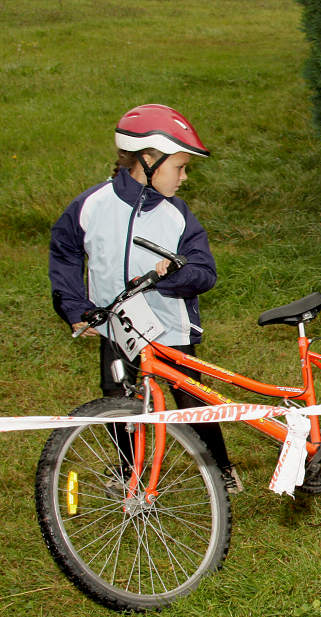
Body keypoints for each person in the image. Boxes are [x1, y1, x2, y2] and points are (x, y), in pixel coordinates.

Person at [48, 104, 242, 493]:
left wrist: (174, 276)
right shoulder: (92, 205)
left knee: (191, 398)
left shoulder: (178, 215)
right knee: (117, 399)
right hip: (116, 328)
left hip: (169, 328)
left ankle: (220, 468)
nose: (184, 177)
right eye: (179, 167)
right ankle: (129, 471)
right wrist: (75, 307)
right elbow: (64, 251)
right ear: (148, 160)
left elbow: (206, 272)